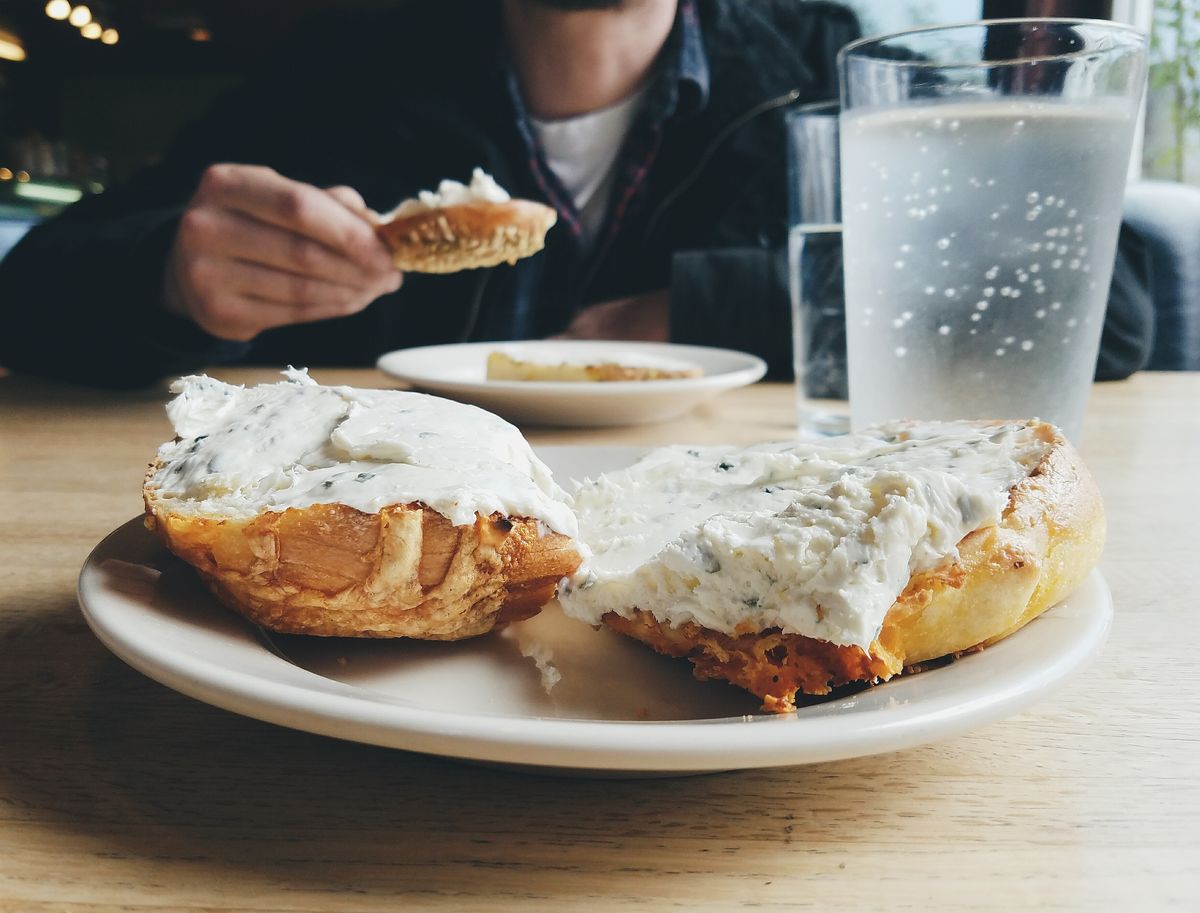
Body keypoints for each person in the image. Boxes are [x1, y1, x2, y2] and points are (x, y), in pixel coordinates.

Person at [0, 0, 1152, 388]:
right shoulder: (341, 77)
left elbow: (1101, 309)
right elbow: (30, 296)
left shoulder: (821, 64)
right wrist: (173, 274)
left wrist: (702, 310)